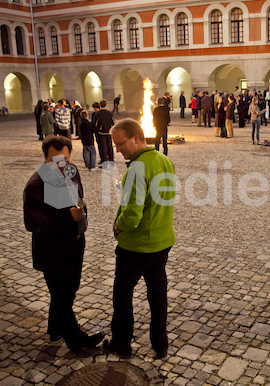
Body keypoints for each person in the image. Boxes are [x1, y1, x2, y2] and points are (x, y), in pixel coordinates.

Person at [23, 136, 104, 352]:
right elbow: (33, 222)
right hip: (53, 249)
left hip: (75, 243)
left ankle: (54, 329)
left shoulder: (72, 171)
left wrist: (80, 216)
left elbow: (78, 196)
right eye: (54, 160)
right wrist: (69, 218)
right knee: (63, 295)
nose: (60, 165)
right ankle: (76, 340)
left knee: (68, 291)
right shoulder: (36, 184)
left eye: (65, 159)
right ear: (44, 158)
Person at [103, 119, 175, 359]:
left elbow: (132, 215)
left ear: (136, 137)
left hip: (137, 246)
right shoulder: (164, 160)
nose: (117, 149)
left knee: (122, 295)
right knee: (158, 295)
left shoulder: (136, 168)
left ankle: (122, 343)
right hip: (162, 241)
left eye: (120, 143)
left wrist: (117, 224)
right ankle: (160, 343)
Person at [96, 99, 115, 165]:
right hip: (108, 132)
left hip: (101, 132)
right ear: (106, 105)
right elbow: (113, 123)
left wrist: (98, 129)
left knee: (103, 147)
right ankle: (111, 159)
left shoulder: (98, 113)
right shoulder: (110, 113)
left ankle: (104, 161)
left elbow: (96, 124)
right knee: (110, 146)